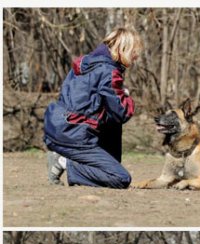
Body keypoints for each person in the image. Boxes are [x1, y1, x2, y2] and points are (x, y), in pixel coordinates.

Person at [44, 27, 141, 188]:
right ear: (123, 49)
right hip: (74, 134)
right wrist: (126, 96)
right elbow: (123, 112)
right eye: (134, 52)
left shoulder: (86, 64)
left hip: (60, 127)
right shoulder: (108, 71)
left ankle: (88, 162)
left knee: (111, 120)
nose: (136, 57)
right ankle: (65, 162)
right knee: (120, 178)